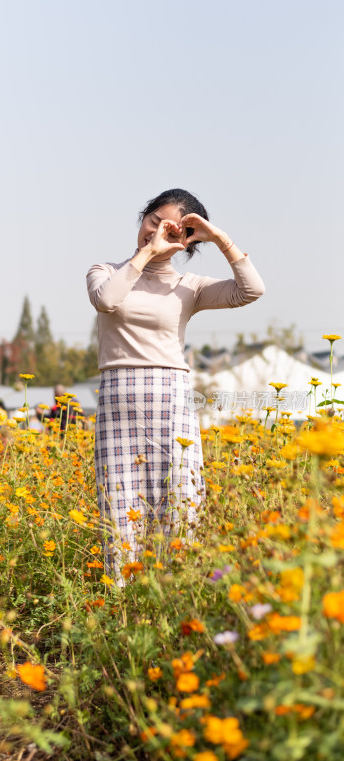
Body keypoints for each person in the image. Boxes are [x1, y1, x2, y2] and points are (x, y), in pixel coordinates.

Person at [86, 188, 265, 582]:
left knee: (180, 500)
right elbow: (107, 301)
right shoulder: (105, 271)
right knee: (119, 504)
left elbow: (252, 290)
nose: (159, 231)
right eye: (154, 220)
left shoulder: (191, 285)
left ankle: (174, 592)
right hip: (118, 400)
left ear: (188, 241)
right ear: (143, 219)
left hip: (170, 397)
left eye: (174, 229)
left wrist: (220, 239)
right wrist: (148, 252)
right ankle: (118, 602)